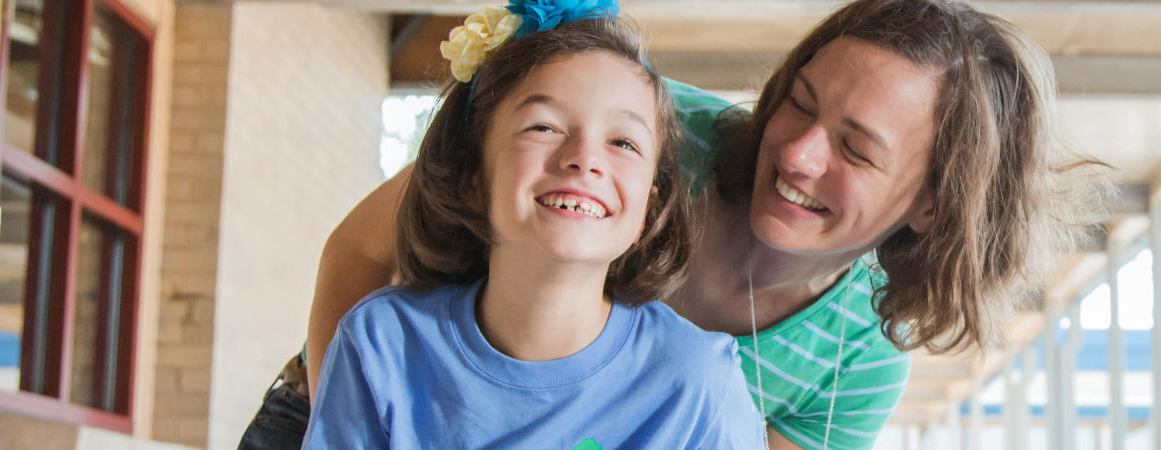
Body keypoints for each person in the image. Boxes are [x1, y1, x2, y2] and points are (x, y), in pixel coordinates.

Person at [240, 0, 1107, 448]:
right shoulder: (631, 134)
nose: (798, 153)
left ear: (934, 202)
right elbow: (358, 253)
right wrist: (351, 412)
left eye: (856, 147)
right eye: (798, 104)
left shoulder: (854, 357)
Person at [300, 7, 760, 448]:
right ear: (473, 176)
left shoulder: (699, 382)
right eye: (543, 127)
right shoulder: (380, 343)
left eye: (623, 141)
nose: (584, 158)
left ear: (648, 211)